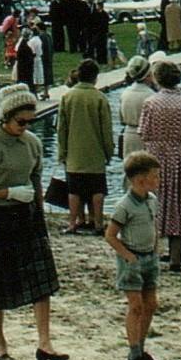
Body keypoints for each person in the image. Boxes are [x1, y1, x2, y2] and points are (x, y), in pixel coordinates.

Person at [0, 87, 67, 360]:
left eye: (30, 122)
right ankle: (0, 342)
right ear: (6, 117)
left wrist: (38, 210)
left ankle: (45, 343)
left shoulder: (32, 143)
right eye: (20, 122)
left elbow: (36, 179)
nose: (25, 127)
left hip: (28, 216)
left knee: (41, 282)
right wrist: (8, 193)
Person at [139, 59, 181, 269]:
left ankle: (154, 253)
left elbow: (143, 131)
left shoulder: (150, 102)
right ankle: (176, 258)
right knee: (180, 204)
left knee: (155, 203)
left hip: (156, 155)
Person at [105, 152, 163, 360]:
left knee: (151, 304)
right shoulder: (125, 206)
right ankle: (133, 352)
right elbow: (110, 235)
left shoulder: (151, 201)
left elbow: (152, 227)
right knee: (136, 306)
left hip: (150, 258)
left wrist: (155, 249)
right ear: (140, 179)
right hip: (133, 260)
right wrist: (128, 256)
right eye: (155, 177)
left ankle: (142, 346)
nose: (158, 181)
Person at [57, 59, 115, 234]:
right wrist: (109, 151)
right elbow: (107, 128)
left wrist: (62, 152)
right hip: (95, 151)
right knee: (97, 189)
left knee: (74, 189)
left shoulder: (67, 97)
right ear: (95, 77)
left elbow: (61, 128)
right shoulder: (99, 98)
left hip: (73, 152)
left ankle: (74, 222)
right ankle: (97, 223)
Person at [119, 55, 153, 158]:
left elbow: (121, 119)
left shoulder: (125, 93)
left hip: (129, 135)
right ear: (147, 75)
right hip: (146, 137)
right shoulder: (151, 95)